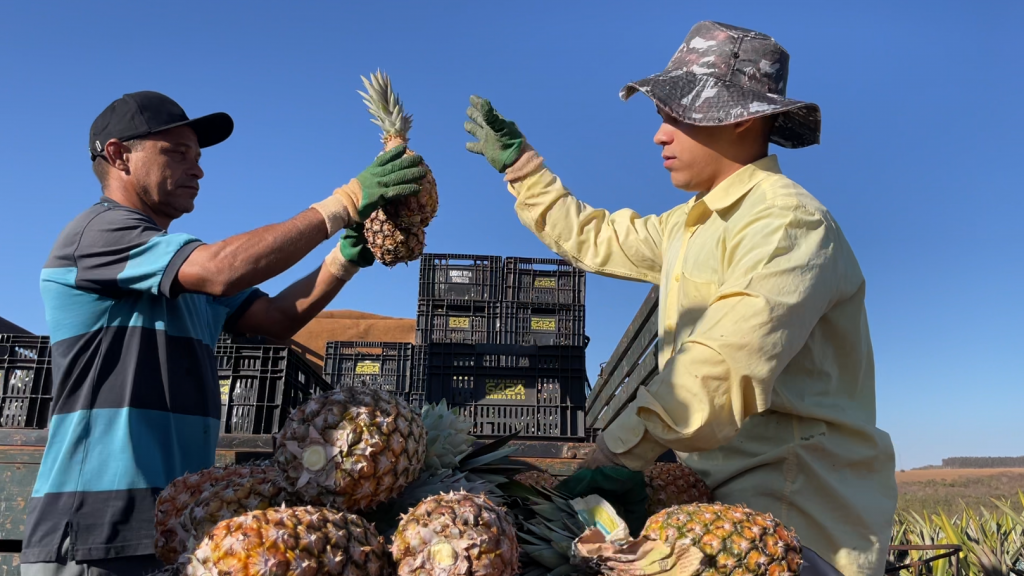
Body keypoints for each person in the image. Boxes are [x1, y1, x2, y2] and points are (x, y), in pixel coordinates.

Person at [464, 20, 897, 576]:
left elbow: (721, 366)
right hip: (717, 504)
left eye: (677, 114)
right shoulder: (689, 225)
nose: (659, 134)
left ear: (742, 117)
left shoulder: (786, 221)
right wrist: (523, 169)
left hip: (794, 516)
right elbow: (597, 238)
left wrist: (615, 453)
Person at [22, 90, 427, 575]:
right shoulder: (99, 234)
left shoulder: (176, 266)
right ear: (118, 155)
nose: (198, 170)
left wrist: (342, 261)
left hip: (176, 520)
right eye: (178, 153)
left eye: (199, 156)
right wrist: (342, 203)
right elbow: (220, 269)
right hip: (98, 531)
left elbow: (276, 320)